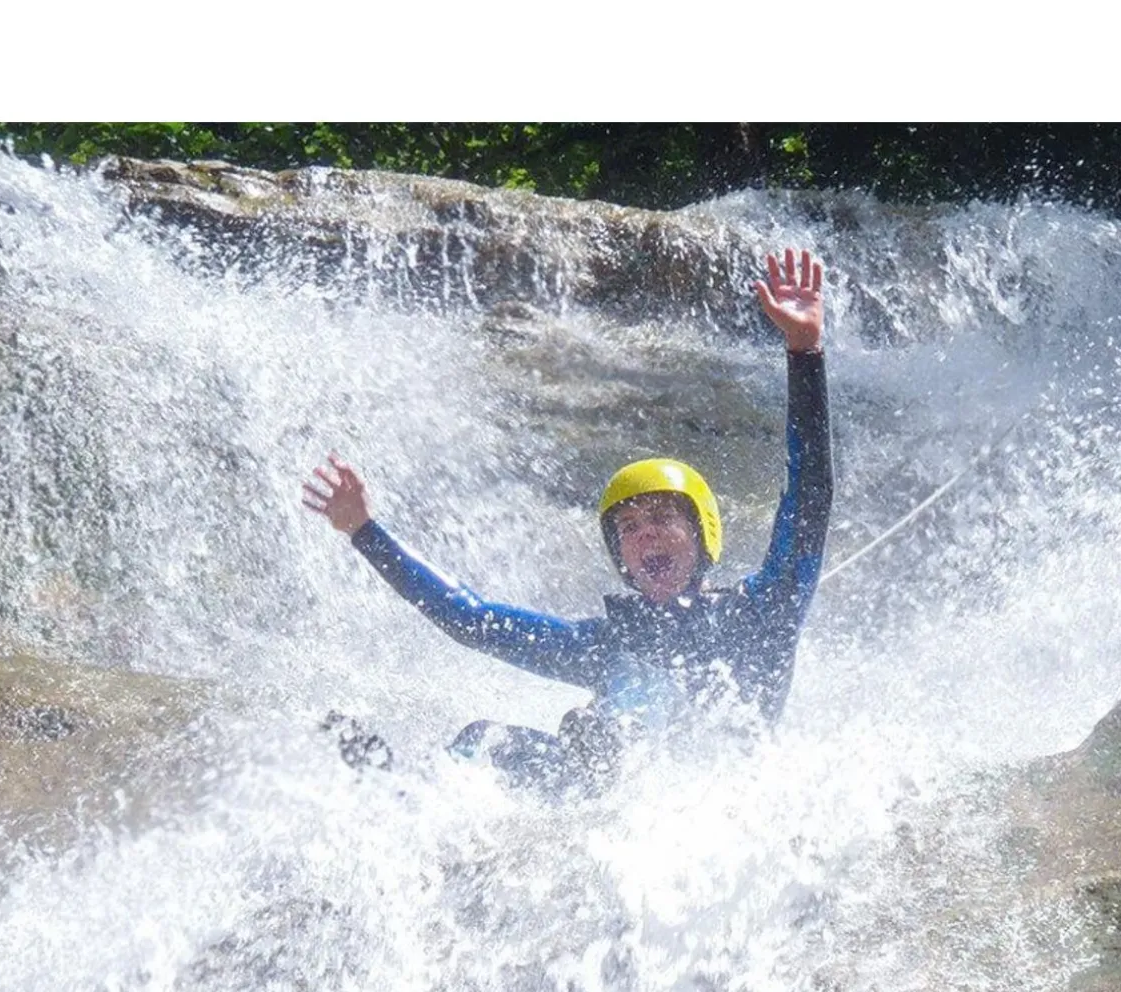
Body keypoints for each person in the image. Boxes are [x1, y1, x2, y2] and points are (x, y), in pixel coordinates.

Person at [303, 248, 832, 795]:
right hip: (594, 787)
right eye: (627, 529)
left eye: (661, 516)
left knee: (628, 701)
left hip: (699, 803)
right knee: (486, 740)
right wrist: (365, 531)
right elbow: (470, 618)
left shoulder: (765, 608)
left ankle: (610, 749)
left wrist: (804, 351)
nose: (644, 533)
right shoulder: (604, 643)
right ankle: (404, 793)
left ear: (703, 535)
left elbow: (810, 495)